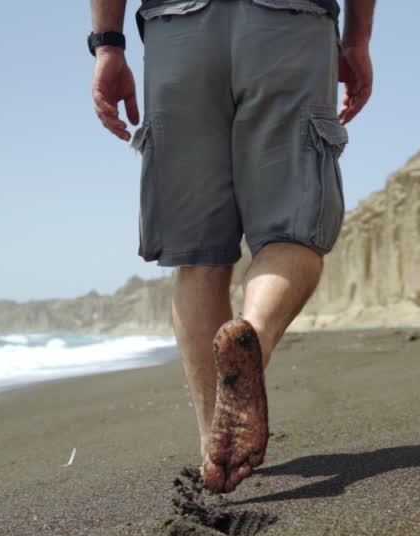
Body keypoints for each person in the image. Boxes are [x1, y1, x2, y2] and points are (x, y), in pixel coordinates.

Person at [88, 0, 375, 493]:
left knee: (198, 256)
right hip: (288, 23)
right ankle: (253, 338)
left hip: (177, 29)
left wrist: (107, 45)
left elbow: (109, 36)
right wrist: (356, 41)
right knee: (292, 230)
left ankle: (214, 448)